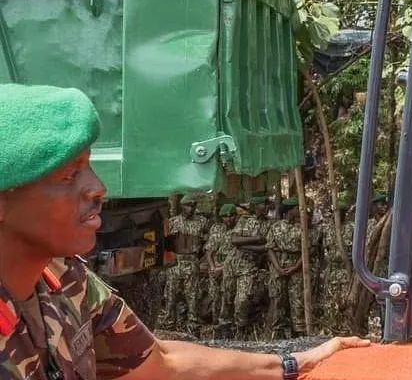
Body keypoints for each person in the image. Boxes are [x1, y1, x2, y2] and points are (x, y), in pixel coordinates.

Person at [0, 82, 367, 379]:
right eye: (68, 175)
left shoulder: (64, 279)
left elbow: (161, 362)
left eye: (89, 167)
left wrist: (292, 364)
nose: (98, 188)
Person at [158, 195, 207, 332]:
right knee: (171, 294)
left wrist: (201, 259)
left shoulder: (202, 222)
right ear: (182, 206)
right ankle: (169, 323)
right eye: (188, 205)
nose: (190, 208)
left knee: (192, 295)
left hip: (191, 261)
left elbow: (207, 242)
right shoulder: (174, 222)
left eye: (193, 205)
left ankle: (193, 324)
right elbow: (166, 242)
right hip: (176, 261)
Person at [230, 196, 272, 336]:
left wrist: (245, 246)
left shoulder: (269, 224)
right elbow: (234, 240)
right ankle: (230, 330)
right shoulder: (244, 221)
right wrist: (255, 239)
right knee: (228, 298)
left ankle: (242, 329)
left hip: (253, 266)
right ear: (256, 206)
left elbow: (266, 247)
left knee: (243, 298)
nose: (267, 207)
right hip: (234, 265)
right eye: (264, 204)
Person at [266, 198, 306, 338]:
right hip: (278, 265)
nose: (299, 211)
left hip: (296, 267)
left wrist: (295, 266)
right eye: (296, 208)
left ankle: (298, 331)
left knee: (297, 299)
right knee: (278, 299)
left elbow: (307, 250)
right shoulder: (276, 227)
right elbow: (270, 248)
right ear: (290, 211)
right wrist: (277, 267)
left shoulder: (302, 227)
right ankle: (278, 332)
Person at [204, 203, 237, 328]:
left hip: (230, 267)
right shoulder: (217, 229)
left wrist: (221, 269)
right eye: (225, 216)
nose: (228, 219)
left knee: (228, 295)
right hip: (216, 266)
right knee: (214, 295)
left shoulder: (239, 230)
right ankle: (215, 321)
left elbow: (236, 255)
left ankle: (227, 323)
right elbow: (209, 251)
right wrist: (213, 267)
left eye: (231, 216)